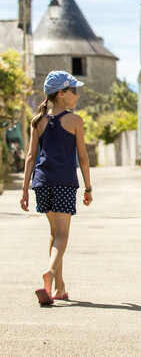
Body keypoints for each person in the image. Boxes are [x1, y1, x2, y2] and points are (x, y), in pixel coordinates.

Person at [20, 70, 93, 306]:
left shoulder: (38, 120)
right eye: (75, 90)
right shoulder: (74, 121)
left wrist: (24, 190)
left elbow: (30, 156)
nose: (77, 95)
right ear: (62, 94)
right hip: (63, 181)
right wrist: (88, 187)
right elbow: (83, 158)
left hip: (41, 182)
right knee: (62, 235)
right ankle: (49, 273)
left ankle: (59, 289)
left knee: (54, 234)